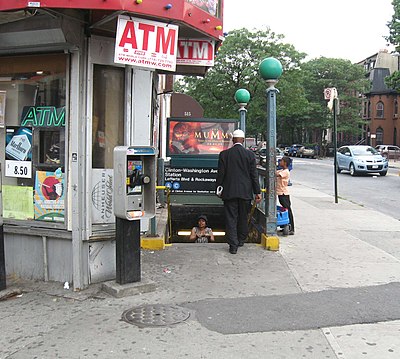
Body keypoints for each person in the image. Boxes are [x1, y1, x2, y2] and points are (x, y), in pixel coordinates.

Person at [216, 129, 262, 254]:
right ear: (243, 140)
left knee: (231, 218)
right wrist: (257, 192)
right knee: (243, 216)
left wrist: (218, 188)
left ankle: (233, 245)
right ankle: (241, 239)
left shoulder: (224, 154)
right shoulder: (250, 155)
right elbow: (254, 175)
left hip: (229, 192)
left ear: (233, 140)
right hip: (245, 192)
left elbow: (221, 175)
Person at [276, 156, 295, 235]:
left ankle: (291, 227)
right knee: (283, 209)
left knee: (287, 210)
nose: (280, 162)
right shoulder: (282, 170)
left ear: (285, 163)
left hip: (284, 193)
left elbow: (278, 175)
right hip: (280, 193)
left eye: (281, 161)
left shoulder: (286, 171)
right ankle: (285, 225)